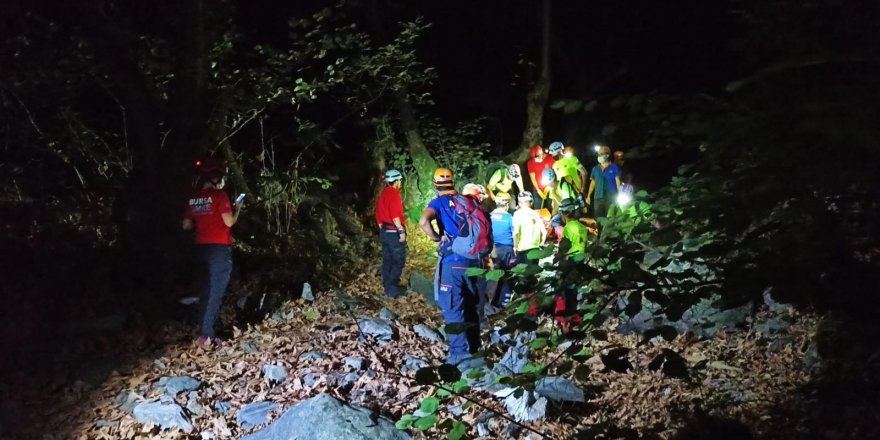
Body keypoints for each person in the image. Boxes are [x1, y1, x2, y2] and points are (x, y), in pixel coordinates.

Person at [418, 168, 484, 364]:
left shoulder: (438, 202)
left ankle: (459, 354)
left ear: (435, 185)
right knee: (470, 304)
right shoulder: (468, 201)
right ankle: (474, 347)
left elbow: (423, 221)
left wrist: (437, 238)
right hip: (473, 260)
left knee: (453, 306)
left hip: (453, 261)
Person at [183, 158, 243, 348]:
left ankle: (205, 331)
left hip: (201, 248)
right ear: (217, 178)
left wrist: (201, 221)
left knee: (205, 290)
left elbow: (186, 225)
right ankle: (208, 336)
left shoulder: (194, 197)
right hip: (218, 249)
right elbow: (229, 222)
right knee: (216, 292)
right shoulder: (220, 196)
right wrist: (239, 207)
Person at [375, 169, 407, 298]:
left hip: (384, 232)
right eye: (400, 180)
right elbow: (395, 215)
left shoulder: (383, 194)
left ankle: (387, 286)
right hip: (394, 232)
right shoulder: (394, 194)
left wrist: (383, 229)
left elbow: (378, 214)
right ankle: (393, 290)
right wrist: (401, 231)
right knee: (398, 260)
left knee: (387, 260)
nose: (400, 183)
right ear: (397, 181)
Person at [489, 192, 516, 307]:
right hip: (506, 250)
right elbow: (514, 234)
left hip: (492, 249)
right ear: (507, 204)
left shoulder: (489, 215)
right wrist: (516, 248)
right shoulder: (509, 217)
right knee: (507, 275)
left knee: (495, 275)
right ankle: (503, 302)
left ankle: (494, 301)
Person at [540, 168, 579, 242]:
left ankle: (568, 237)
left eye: (549, 183)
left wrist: (554, 193)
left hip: (572, 210)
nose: (549, 185)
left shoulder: (563, 185)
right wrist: (551, 220)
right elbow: (555, 206)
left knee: (568, 223)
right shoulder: (552, 189)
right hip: (563, 211)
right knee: (554, 222)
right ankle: (562, 236)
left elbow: (566, 203)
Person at [586, 145, 622, 219]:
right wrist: (588, 196)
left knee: (611, 218)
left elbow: (618, 181)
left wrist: (620, 194)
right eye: (598, 155)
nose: (599, 156)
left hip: (611, 197)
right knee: (598, 219)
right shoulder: (595, 169)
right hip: (598, 197)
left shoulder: (614, 167)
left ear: (607, 155)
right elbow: (593, 183)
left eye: (601, 154)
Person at [512, 192, 547, 264]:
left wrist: (515, 247)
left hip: (523, 249)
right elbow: (544, 232)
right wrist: (542, 243)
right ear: (531, 202)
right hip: (535, 248)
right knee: (533, 272)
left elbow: (515, 233)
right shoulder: (536, 213)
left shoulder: (517, 214)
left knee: (524, 273)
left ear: (519, 203)